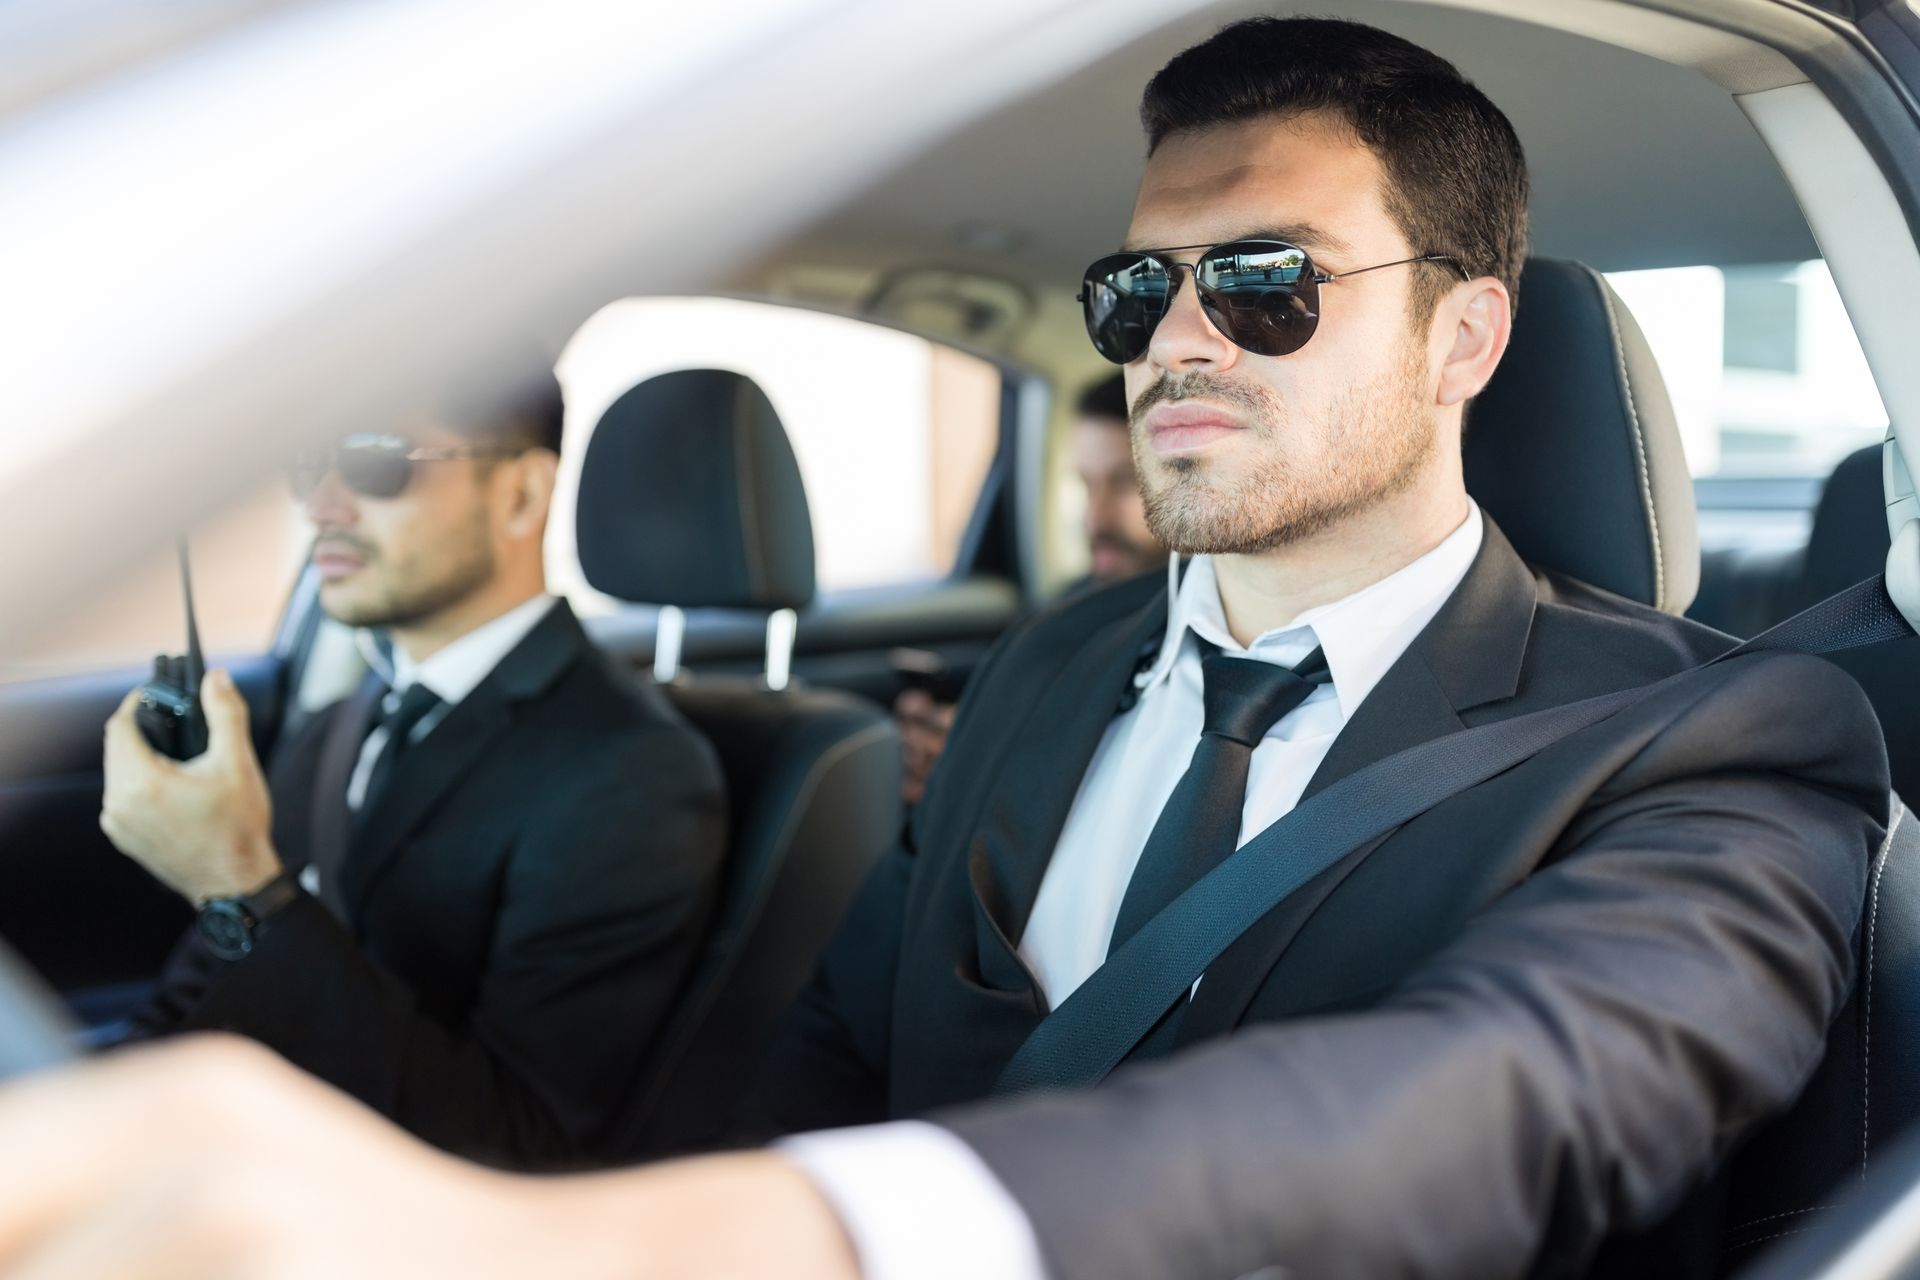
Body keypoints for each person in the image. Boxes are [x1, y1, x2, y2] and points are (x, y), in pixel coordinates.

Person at [0, 17, 1891, 1280]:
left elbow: (1504, 1099)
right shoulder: (1058, 666)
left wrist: (731, 1246)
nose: (1176, 343)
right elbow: (833, 1041)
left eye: (1266, 284)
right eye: (1141, 288)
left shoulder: (1717, 735)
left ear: (1467, 342)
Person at [100, 372, 727, 1167]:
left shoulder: (632, 775)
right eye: (307, 466)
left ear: (521, 497)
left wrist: (239, 884)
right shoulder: (345, 720)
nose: (320, 504)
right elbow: (196, 1002)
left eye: (375, 463)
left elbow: (516, 1139)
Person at [894, 372, 1168, 804]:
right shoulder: (1068, 606)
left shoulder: (1196, 634)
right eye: (1086, 484)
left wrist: (985, 765)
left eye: (1127, 483)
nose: (1095, 520)